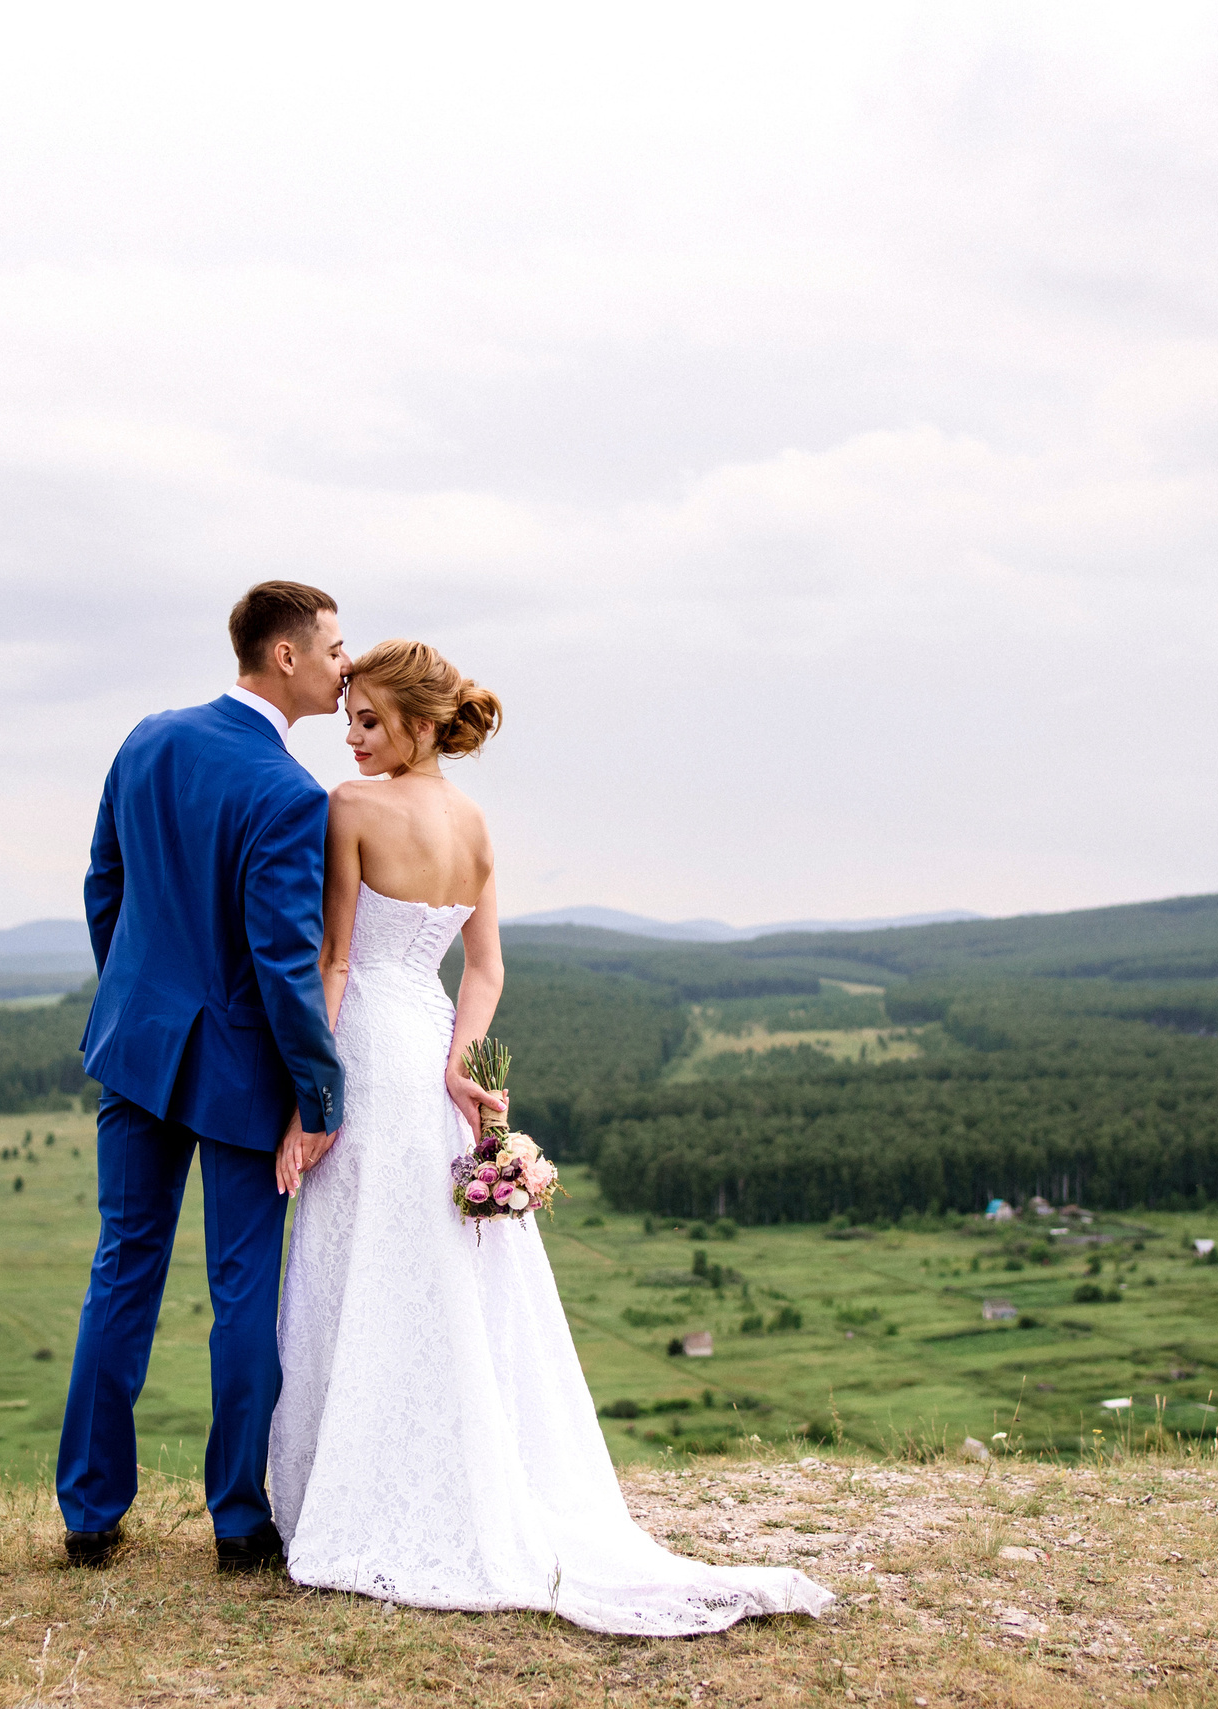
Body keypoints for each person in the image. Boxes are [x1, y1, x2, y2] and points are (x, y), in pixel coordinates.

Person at [268, 639, 834, 1635]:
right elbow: (483, 967)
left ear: (423, 724)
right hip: (435, 1045)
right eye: (348, 718)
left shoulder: (351, 810)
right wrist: (466, 1062)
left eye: (368, 721)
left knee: (363, 1259)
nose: (350, 739)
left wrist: (307, 1097)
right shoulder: (476, 824)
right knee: (437, 1266)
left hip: (368, 1045)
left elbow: (336, 960)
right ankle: (449, 1475)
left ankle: (355, 1496)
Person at [55, 581, 349, 1571]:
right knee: (241, 1292)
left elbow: (104, 881)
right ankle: (236, 1520)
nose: (343, 665)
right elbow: (283, 962)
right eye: (334, 648)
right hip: (234, 1072)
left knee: (120, 1269)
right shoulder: (287, 793)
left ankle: (90, 1515)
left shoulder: (147, 738)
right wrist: (319, 1097)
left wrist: (139, 995)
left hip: (136, 1048)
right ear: (284, 658)